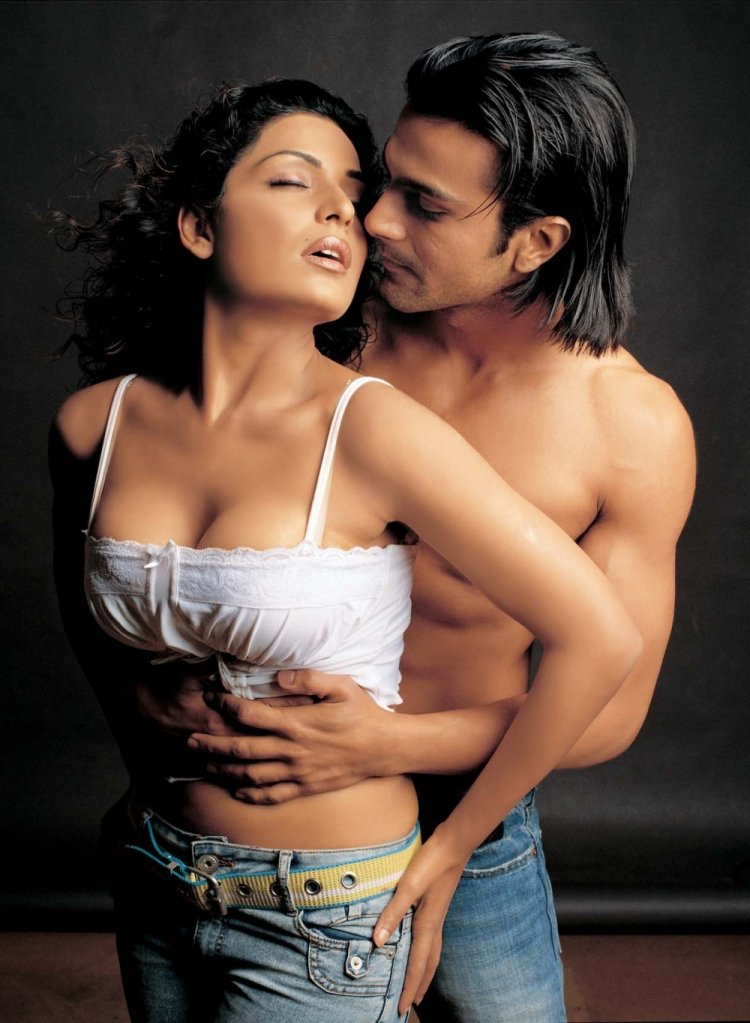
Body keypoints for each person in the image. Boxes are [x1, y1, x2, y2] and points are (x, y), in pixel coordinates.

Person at [49, 76, 640, 1022]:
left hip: (398, 843)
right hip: (163, 860)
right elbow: (89, 607)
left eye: (413, 202)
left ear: (535, 241)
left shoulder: (585, 419)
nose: (365, 217)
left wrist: (419, 794)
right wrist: (138, 734)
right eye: (305, 182)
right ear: (197, 224)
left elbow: (606, 682)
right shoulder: (107, 419)